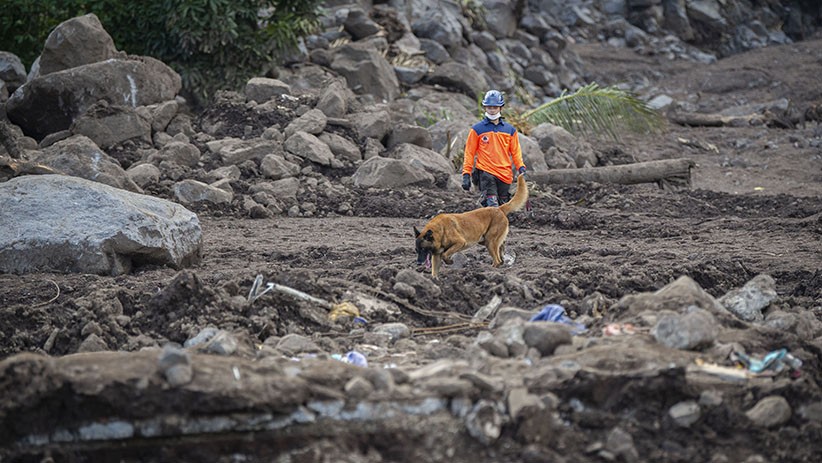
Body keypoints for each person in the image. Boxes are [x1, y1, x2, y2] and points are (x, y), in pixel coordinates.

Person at [462, 90, 526, 207]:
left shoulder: (510, 130)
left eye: (495, 107)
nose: (492, 110)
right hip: (486, 173)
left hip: (505, 175)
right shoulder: (477, 129)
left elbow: (515, 152)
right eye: (489, 107)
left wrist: (521, 168)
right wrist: (466, 174)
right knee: (492, 207)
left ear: (500, 108)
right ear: (485, 108)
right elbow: (469, 153)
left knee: (503, 208)